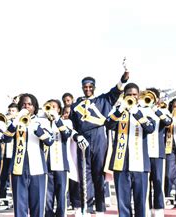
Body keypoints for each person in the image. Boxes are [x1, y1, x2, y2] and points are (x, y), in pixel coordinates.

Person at [69, 71, 129, 215]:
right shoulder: (75, 105)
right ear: (82, 88)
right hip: (83, 140)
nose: (88, 89)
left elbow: (117, 90)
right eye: (85, 87)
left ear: (94, 87)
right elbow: (72, 127)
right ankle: (87, 208)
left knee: (99, 175)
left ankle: (100, 208)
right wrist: (77, 136)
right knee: (85, 175)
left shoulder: (104, 100)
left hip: (99, 138)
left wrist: (124, 77)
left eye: (90, 87)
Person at [105, 83, 156, 217]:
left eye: (134, 95)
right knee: (123, 204)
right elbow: (108, 124)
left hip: (140, 164)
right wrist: (120, 110)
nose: (132, 97)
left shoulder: (146, 110)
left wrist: (137, 113)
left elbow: (150, 128)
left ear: (138, 96)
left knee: (141, 203)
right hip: (120, 163)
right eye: (129, 94)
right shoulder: (117, 109)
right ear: (124, 95)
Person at [3, 93, 55, 216]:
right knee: (19, 206)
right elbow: (5, 138)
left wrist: (36, 128)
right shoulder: (15, 121)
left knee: (38, 206)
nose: (26, 106)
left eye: (29, 104)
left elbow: (50, 141)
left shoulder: (42, 121)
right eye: (24, 104)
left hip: (37, 168)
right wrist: (16, 120)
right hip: (18, 167)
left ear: (34, 106)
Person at [141, 88, 172, 217]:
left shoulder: (163, 111)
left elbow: (168, 122)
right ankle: (146, 208)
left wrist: (156, 110)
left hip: (158, 152)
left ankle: (158, 208)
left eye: (152, 97)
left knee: (158, 181)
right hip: (143, 152)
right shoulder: (141, 110)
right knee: (145, 183)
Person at [43, 99, 73, 217]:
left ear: (59, 109)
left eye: (54, 107)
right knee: (47, 196)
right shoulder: (42, 122)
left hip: (61, 164)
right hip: (46, 164)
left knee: (61, 196)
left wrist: (56, 119)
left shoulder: (67, 122)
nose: (51, 109)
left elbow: (66, 134)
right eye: (49, 107)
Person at [0, 102, 18, 203]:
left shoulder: (19, 122)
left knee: (12, 175)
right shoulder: (4, 121)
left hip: (14, 152)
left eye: (13, 111)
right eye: (9, 110)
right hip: (5, 152)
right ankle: (2, 196)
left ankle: (13, 197)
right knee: (3, 175)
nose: (11, 112)